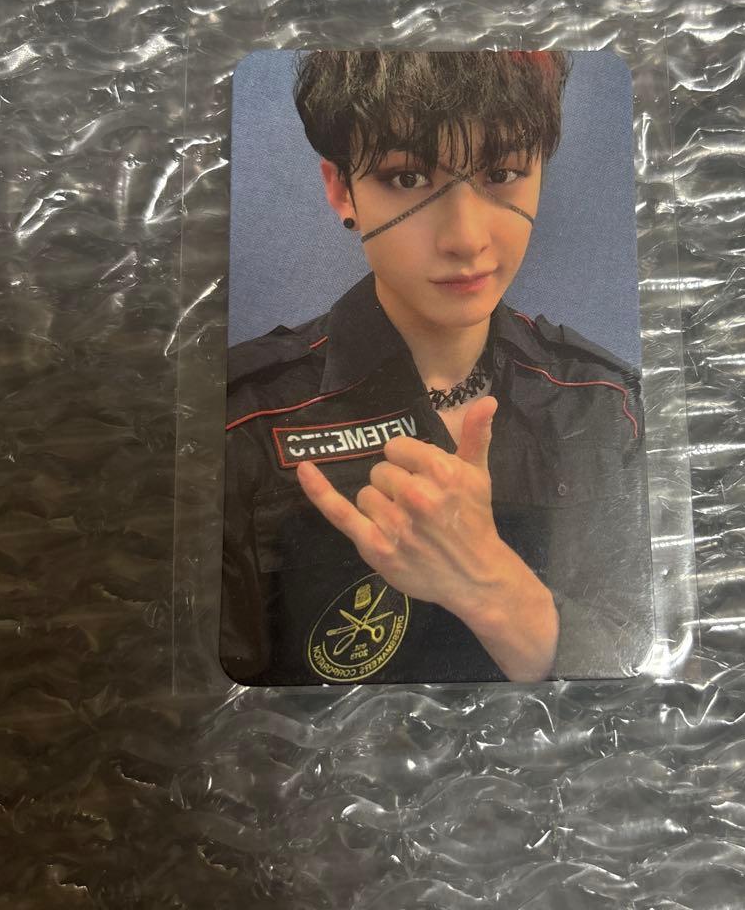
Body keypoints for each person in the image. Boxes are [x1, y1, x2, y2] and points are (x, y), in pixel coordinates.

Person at [221, 50, 654, 686]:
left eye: (502, 172)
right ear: (341, 189)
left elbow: (651, 683)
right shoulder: (243, 423)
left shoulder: (605, 406)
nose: (465, 239)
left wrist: (490, 585)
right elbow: (220, 710)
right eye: (408, 177)